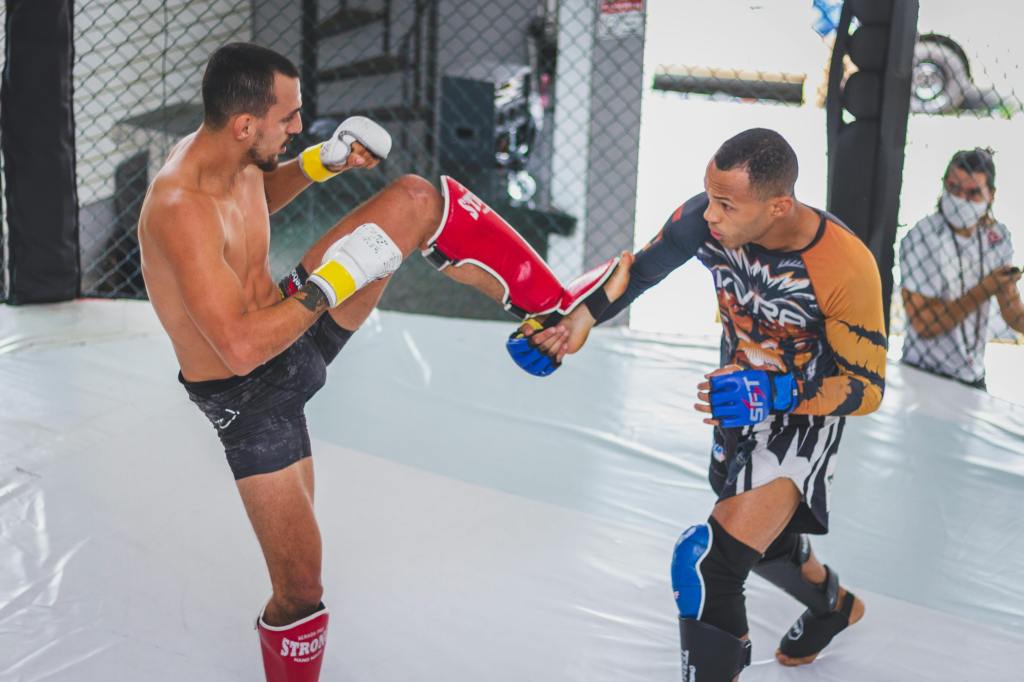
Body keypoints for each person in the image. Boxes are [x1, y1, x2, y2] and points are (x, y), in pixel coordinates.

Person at [138, 42, 630, 682]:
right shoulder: (179, 206)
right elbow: (238, 347)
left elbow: (254, 199)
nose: (297, 127)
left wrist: (322, 163)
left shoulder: (234, 155)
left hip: (291, 324)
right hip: (251, 395)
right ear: (244, 124)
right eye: (288, 119)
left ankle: (549, 309)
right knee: (301, 590)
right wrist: (330, 284)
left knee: (416, 198)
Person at [516, 128, 885, 680]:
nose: (709, 214)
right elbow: (640, 271)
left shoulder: (845, 266)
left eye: (726, 203)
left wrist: (779, 392)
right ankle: (832, 605)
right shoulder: (705, 221)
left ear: (779, 205)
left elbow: (868, 388)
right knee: (762, 539)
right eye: (709, 196)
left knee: (709, 562)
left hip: (803, 418)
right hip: (735, 399)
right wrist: (575, 324)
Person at [899, 147, 1024, 390]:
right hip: (923, 373)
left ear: (991, 195)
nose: (961, 199)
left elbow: (1012, 312)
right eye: (954, 188)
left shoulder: (996, 236)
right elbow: (925, 325)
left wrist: (1000, 289)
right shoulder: (922, 236)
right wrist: (985, 289)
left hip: (972, 375)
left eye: (973, 193)